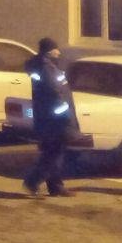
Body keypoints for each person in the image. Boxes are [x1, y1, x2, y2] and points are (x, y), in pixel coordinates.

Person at [22, 37, 75, 197]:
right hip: (54, 119)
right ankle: (32, 181)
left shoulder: (44, 66)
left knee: (52, 151)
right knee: (53, 154)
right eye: (56, 49)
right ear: (49, 51)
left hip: (46, 117)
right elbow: (55, 93)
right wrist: (66, 115)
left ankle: (56, 186)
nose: (59, 52)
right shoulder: (46, 68)